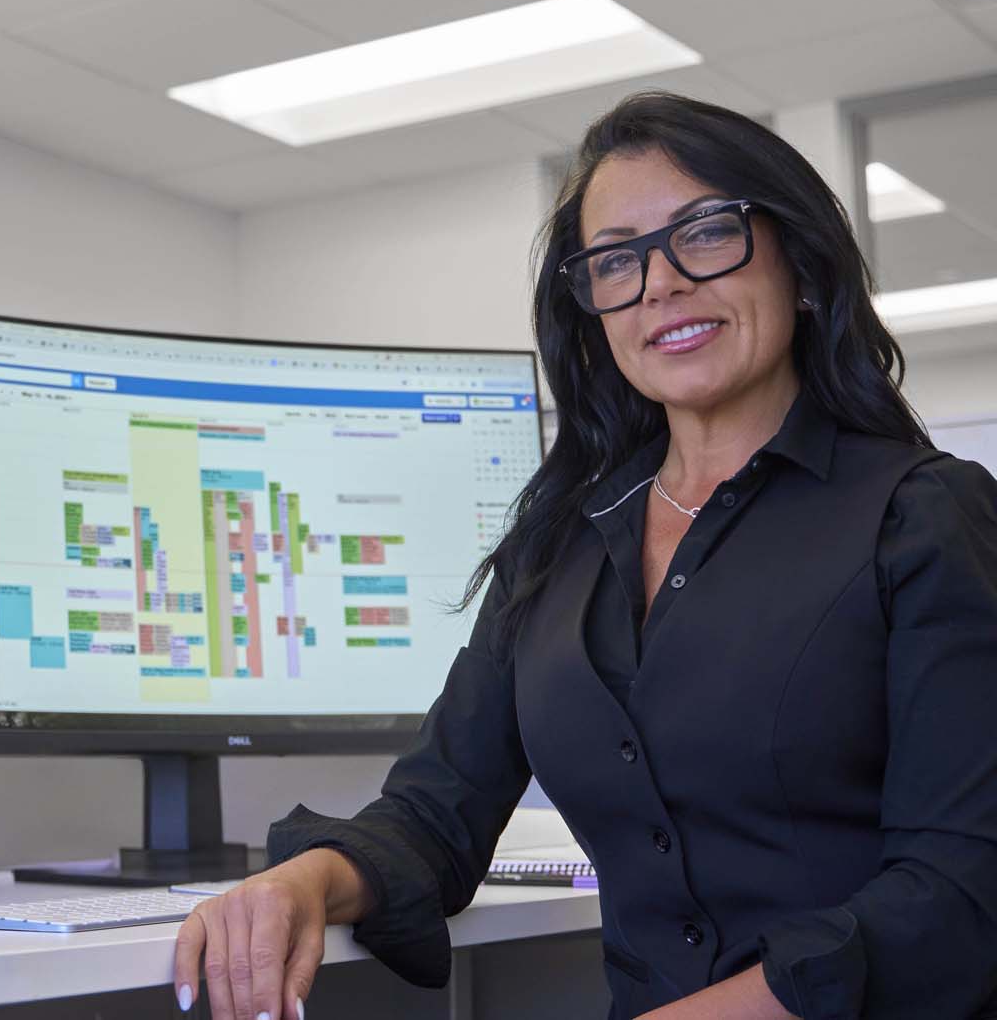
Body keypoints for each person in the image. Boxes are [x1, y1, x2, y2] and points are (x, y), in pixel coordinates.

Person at [170, 92, 997, 1020]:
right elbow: (436, 809)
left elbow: (961, 888)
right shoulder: (560, 544)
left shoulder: (923, 516)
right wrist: (300, 885)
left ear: (799, 267)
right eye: (617, 261)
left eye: (707, 232)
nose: (661, 283)